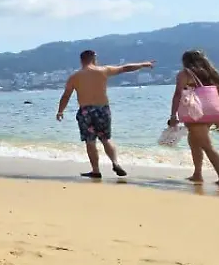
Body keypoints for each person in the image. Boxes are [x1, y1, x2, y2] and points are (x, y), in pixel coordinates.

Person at [56, 50, 154, 178]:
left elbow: (66, 95)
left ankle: (96, 170)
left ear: (81, 60)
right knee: (106, 139)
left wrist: (60, 111)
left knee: (90, 141)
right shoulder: (103, 70)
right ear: (94, 59)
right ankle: (115, 162)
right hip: (103, 109)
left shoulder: (74, 77)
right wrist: (143, 64)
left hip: (86, 111)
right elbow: (125, 68)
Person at [168, 50, 219, 187]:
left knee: (207, 146)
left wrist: (173, 115)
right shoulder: (213, 74)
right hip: (210, 113)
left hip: (194, 113)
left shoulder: (185, 74)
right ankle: (197, 174)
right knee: (194, 141)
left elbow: (178, 94)